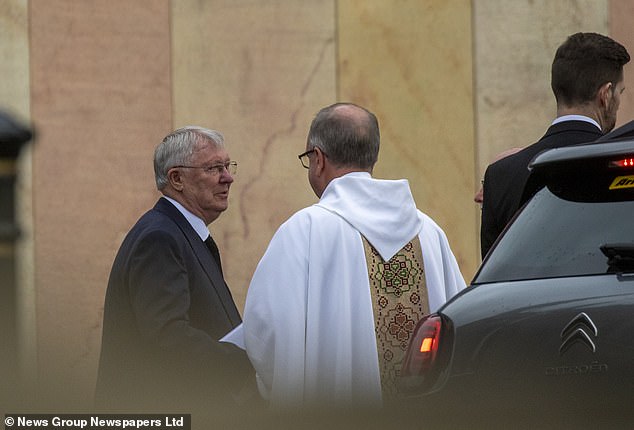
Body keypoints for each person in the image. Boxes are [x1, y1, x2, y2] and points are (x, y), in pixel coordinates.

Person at [242, 103, 466, 408]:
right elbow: (459, 323)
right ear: (372, 157)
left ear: (317, 159)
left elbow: (267, 334)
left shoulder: (305, 230)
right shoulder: (429, 232)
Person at [95, 126, 252, 411]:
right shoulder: (160, 237)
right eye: (214, 168)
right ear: (177, 178)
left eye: (228, 166)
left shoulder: (182, 232)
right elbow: (167, 337)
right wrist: (243, 361)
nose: (228, 178)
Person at [480, 32, 630, 258]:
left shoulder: (500, 175)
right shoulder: (619, 163)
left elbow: (492, 275)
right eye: (620, 92)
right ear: (606, 94)